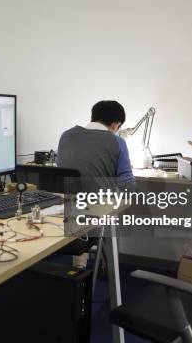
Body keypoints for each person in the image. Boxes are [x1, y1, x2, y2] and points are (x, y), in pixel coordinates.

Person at [57, 100, 136, 268]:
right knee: (111, 210)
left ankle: (80, 266)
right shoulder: (118, 143)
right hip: (96, 212)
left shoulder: (66, 135)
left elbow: (60, 170)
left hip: (65, 210)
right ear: (115, 125)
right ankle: (107, 264)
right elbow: (128, 184)